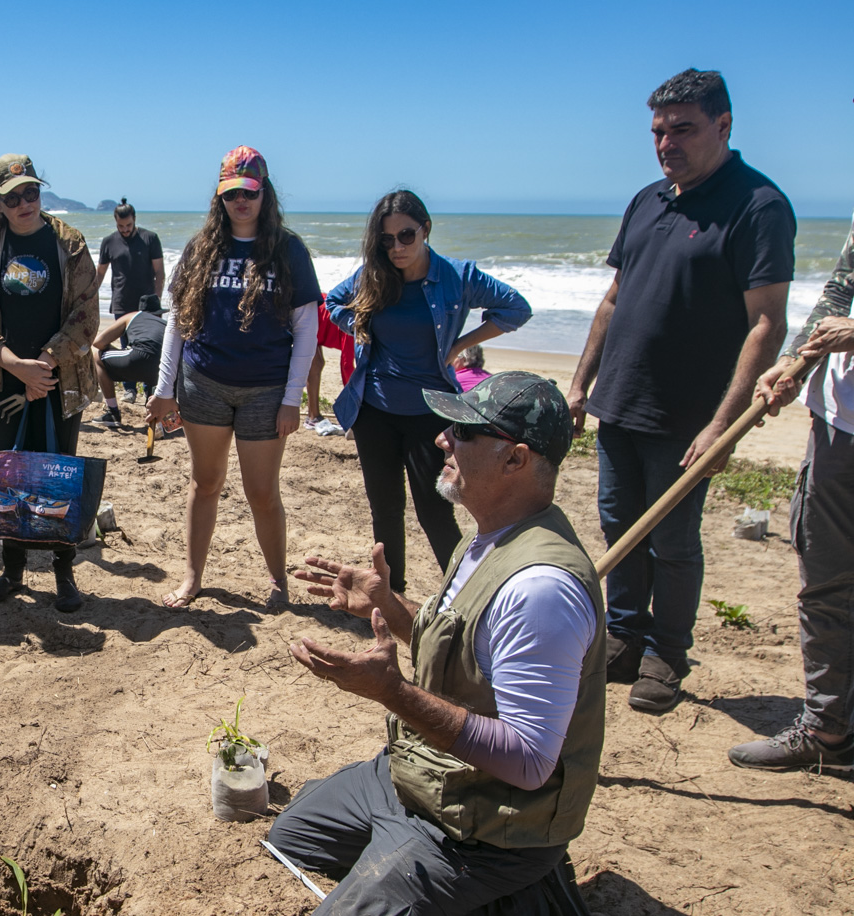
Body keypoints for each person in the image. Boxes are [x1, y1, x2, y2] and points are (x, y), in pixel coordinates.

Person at [273, 371, 602, 916]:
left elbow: (531, 762)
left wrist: (393, 692)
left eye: (465, 431)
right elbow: (463, 653)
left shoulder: (541, 591)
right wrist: (388, 606)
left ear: (516, 458)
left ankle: (528, 905)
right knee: (290, 841)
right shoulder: (487, 537)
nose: (443, 439)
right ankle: (407, 863)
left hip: (489, 825)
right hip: (422, 776)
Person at [567, 68, 795, 714]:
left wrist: (724, 424)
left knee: (671, 541)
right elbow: (613, 301)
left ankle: (667, 652)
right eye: (658, 131)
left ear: (723, 126)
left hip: (687, 416)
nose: (666, 143)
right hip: (619, 401)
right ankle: (624, 636)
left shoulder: (758, 206)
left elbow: (765, 324)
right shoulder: (646, 200)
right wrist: (580, 383)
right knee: (619, 524)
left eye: (682, 129)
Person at [326, 191, 531, 597]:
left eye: (406, 236)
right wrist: (359, 326)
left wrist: (459, 345)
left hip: (430, 414)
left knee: (434, 511)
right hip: (374, 410)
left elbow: (515, 309)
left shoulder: (456, 276)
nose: (397, 247)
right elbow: (333, 302)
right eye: (386, 240)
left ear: (425, 230)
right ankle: (392, 594)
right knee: (384, 510)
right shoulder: (373, 275)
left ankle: (465, 595)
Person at [146, 146, 322, 610]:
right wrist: (165, 390)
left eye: (249, 192)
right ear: (219, 198)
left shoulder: (289, 250)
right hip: (203, 382)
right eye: (230, 194)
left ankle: (278, 581)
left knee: (262, 493)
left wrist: (292, 399)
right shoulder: (202, 248)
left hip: (266, 389)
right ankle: (192, 577)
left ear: (265, 193)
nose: (240, 202)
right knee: (205, 484)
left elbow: (307, 329)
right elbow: (178, 322)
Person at [729, 209, 854, 772]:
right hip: (839, 426)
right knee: (826, 584)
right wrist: (794, 362)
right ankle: (828, 731)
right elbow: (841, 291)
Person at [0, 152, 101, 612]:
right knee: (8, 472)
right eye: (13, 197)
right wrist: (16, 366)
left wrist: (43, 364)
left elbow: (86, 315)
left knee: (60, 473)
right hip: (4, 381)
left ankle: (64, 573)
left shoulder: (69, 242)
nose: (25, 203)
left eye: (32, 192)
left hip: (61, 380)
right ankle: (12, 569)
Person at [95, 198, 164, 407]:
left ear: (135, 220)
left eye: (129, 226)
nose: (125, 230)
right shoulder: (109, 242)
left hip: (147, 304)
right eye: (121, 226)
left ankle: (149, 391)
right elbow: (100, 273)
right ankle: (129, 390)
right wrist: (89, 298)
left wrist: (156, 299)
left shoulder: (150, 239)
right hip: (121, 300)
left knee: (150, 349)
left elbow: (159, 272)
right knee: (126, 345)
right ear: (115, 222)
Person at [89, 292, 165, 426]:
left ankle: (112, 412)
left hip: (137, 357)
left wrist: (117, 352)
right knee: (157, 362)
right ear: (159, 313)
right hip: (161, 368)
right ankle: (159, 419)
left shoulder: (132, 316)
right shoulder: (165, 323)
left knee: (97, 355)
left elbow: (98, 342)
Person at [309, 299, 356, 428]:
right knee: (316, 366)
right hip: (313, 316)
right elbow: (347, 365)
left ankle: (312, 415)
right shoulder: (352, 325)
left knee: (317, 363)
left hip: (318, 315)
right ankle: (313, 416)